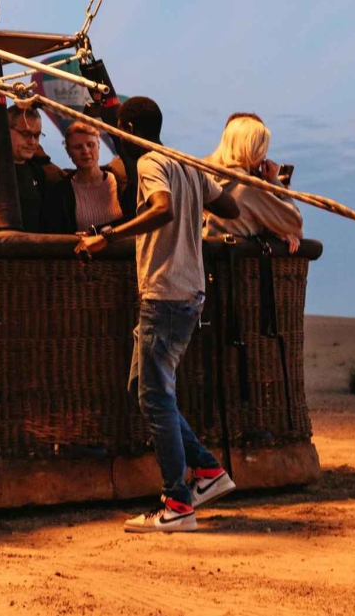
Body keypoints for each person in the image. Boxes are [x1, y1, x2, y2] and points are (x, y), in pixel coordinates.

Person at [73, 96, 242, 533]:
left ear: (128, 126)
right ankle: (206, 471)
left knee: (154, 396)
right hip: (190, 292)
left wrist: (105, 236)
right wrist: (198, 194)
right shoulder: (185, 163)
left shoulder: (150, 162)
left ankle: (177, 502)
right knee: (145, 389)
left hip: (165, 294)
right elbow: (230, 209)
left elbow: (162, 208)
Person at [203, 112, 303, 253]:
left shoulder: (205, 174)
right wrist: (275, 183)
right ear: (253, 150)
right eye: (263, 151)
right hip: (236, 270)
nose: (264, 157)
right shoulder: (247, 187)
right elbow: (295, 223)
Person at [0, 104, 71, 233]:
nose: (32, 142)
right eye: (26, 134)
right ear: (5, 130)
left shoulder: (40, 173)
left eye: (37, 136)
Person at [55, 119, 124, 232]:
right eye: (78, 147)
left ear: (98, 145)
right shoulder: (61, 192)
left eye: (90, 144)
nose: (85, 151)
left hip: (125, 249)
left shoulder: (120, 181)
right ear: (68, 151)